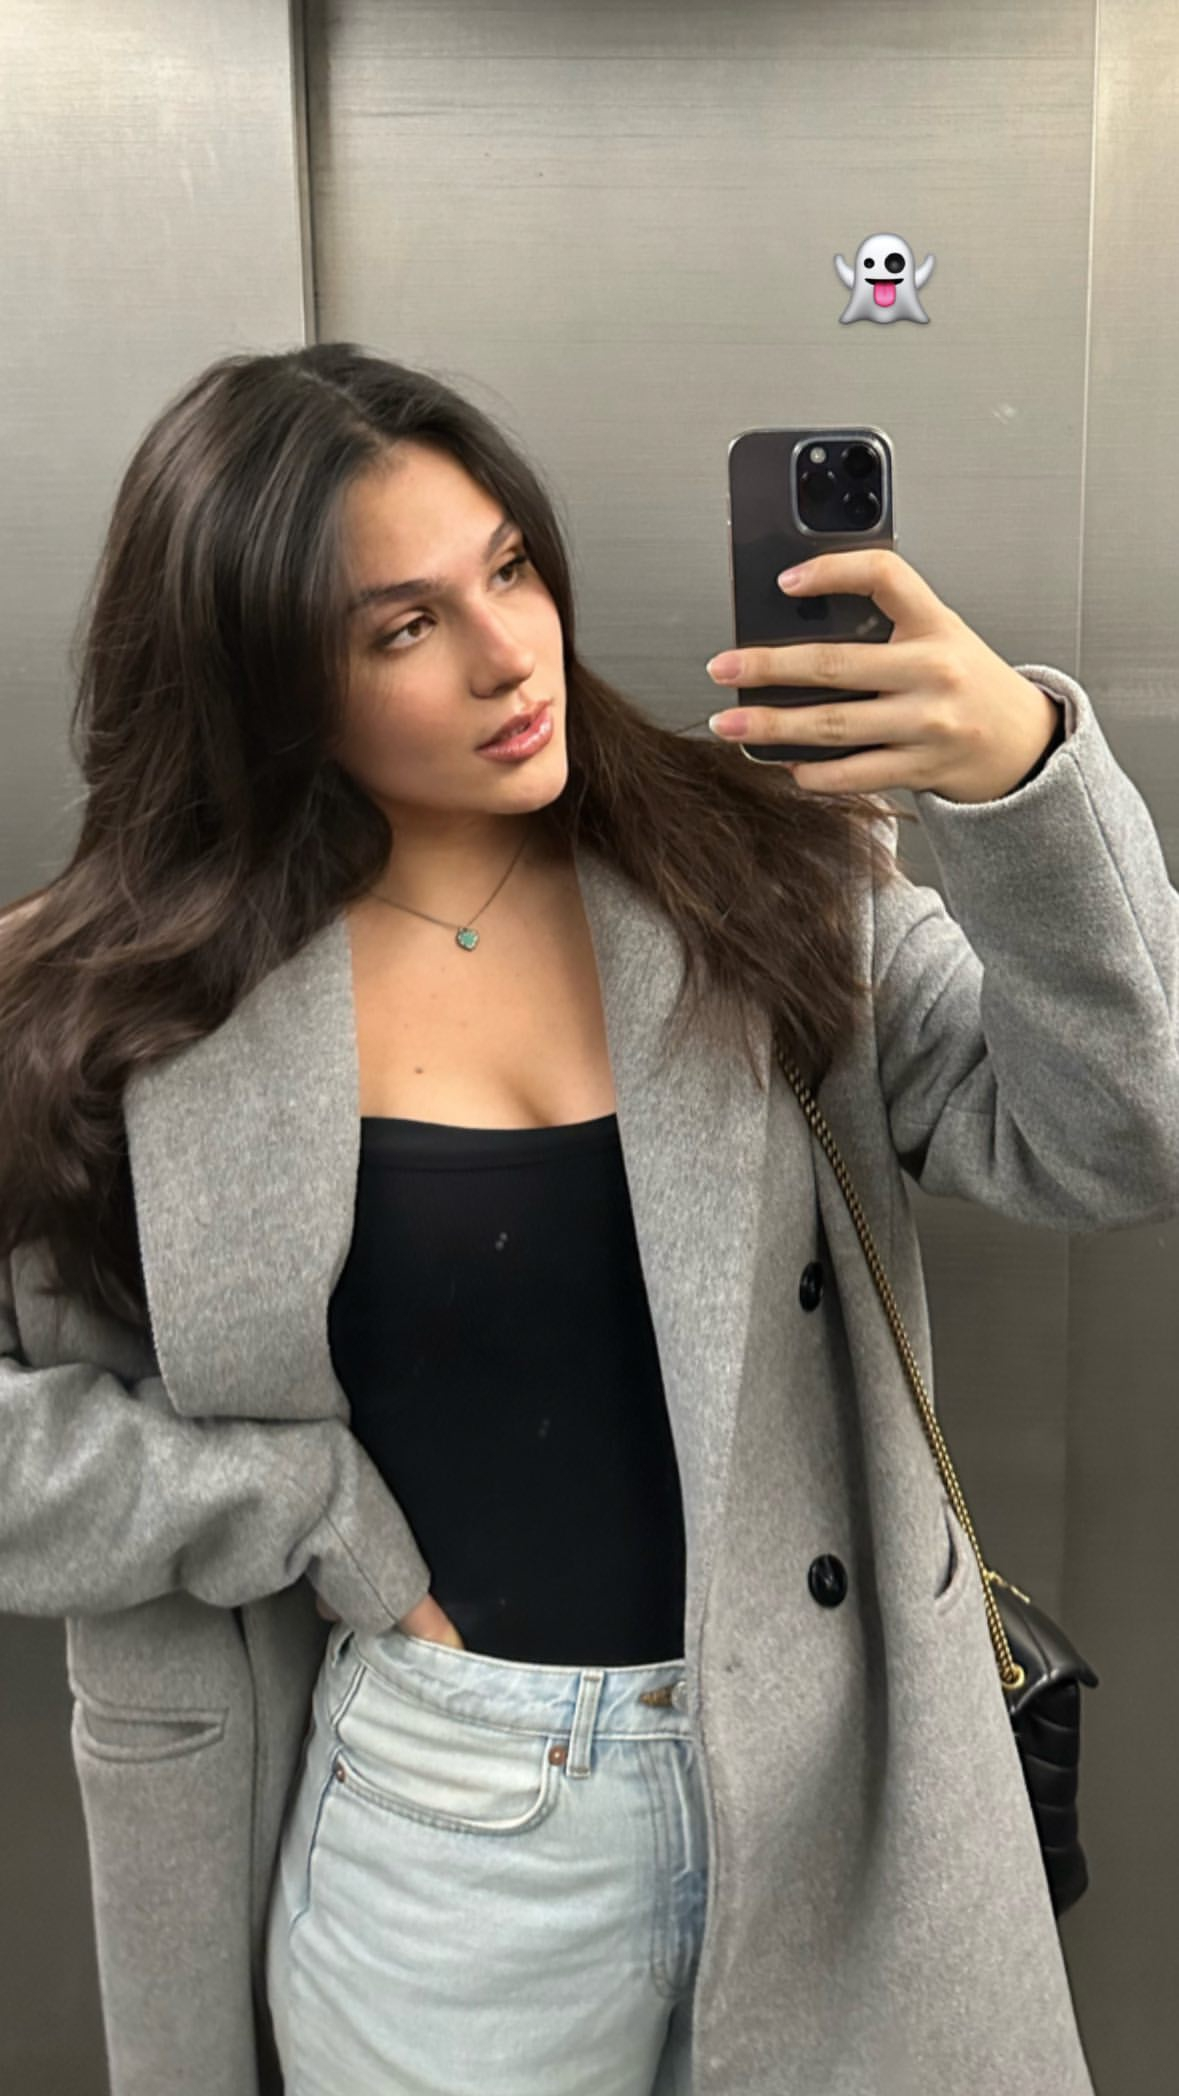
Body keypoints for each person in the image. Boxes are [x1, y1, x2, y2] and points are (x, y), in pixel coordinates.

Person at [1, 343, 1176, 2096]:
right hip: (446, 1827)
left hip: (842, 1792)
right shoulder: (113, 1008)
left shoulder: (760, 869)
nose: (507, 654)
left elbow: (1122, 1141)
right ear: (258, 680)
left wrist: (1017, 782)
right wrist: (291, 1507)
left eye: (507, 568)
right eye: (403, 628)